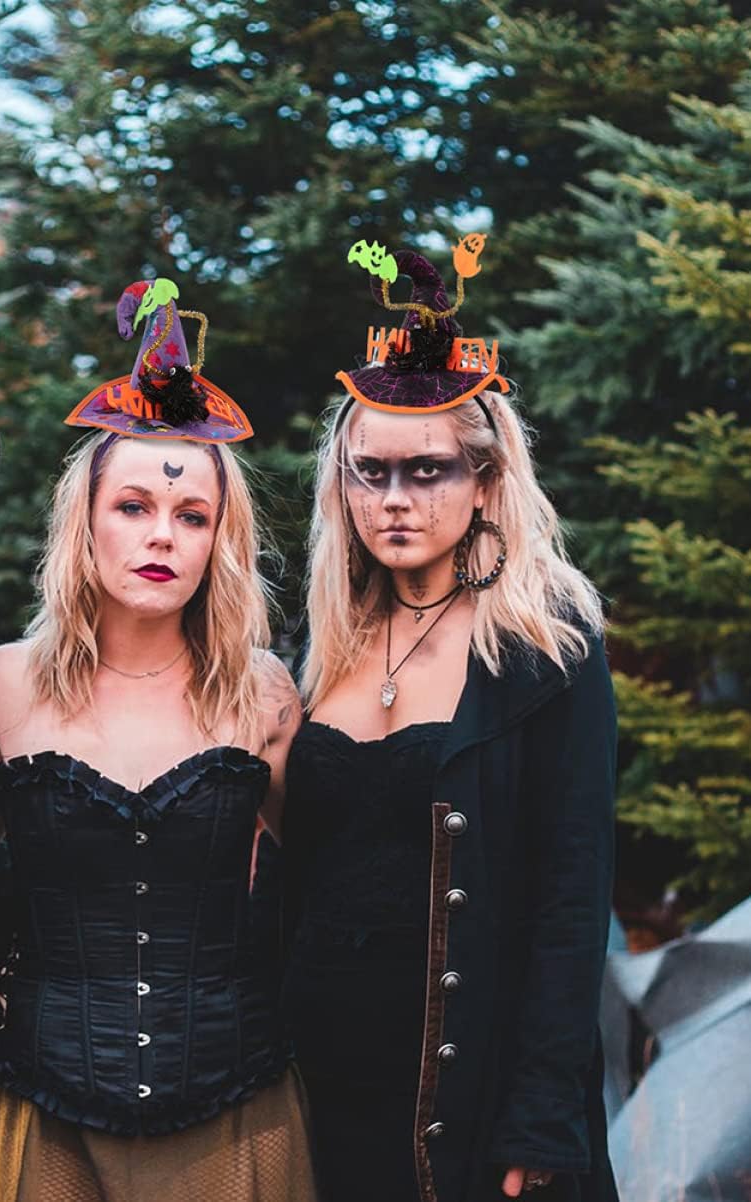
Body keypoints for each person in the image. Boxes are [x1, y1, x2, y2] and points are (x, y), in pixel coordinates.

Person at [282, 243, 618, 1202]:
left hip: (466, 1085)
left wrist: (542, 1110)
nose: (394, 500)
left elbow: (572, 895)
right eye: (370, 473)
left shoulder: (545, 647)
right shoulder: (320, 643)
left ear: (484, 479)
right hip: (319, 1080)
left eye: (427, 470)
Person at [0, 281, 318, 1202]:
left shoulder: (265, 696)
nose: (162, 535)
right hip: (46, 1117)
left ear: (219, 542)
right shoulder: (3, 686)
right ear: (84, 523)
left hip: (237, 1115)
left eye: (191, 516)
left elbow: (317, 895)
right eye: (133, 506)